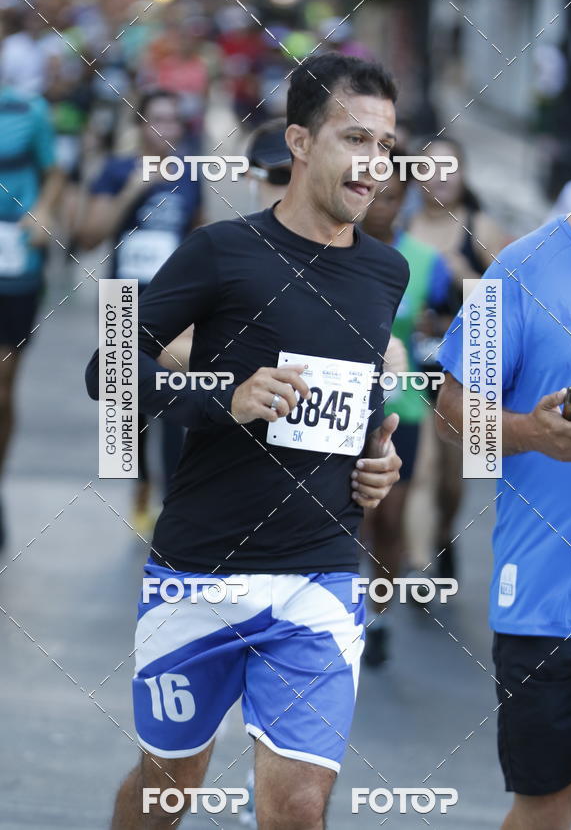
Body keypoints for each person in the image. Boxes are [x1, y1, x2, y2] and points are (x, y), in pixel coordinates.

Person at [85, 52, 406, 830]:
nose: (373, 164)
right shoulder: (221, 251)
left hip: (318, 576)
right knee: (167, 790)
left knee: (297, 806)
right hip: (200, 570)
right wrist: (222, 394)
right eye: (354, 139)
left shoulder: (385, 273)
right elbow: (107, 372)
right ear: (299, 141)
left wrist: (377, 462)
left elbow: (344, 408)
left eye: (386, 147)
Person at [435, 129, 571, 830]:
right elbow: (450, 407)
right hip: (552, 595)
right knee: (549, 804)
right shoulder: (519, 269)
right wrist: (534, 433)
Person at [76, 89, 204, 538]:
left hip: (173, 303)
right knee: (125, 406)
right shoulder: (115, 171)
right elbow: (88, 236)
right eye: (156, 120)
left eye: (173, 121)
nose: (165, 130)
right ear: (140, 126)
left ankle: (171, 496)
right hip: (121, 300)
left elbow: (200, 235)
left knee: (171, 393)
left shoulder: (189, 175)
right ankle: (141, 486)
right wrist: (132, 190)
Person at [360, 147, 452, 666]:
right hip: (339, 402)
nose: (381, 205)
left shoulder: (424, 262)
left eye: (392, 196)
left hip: (404, 407)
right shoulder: (331, 251)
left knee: (388, 519)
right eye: (374, 193)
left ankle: (379, 616)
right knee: (348, 517)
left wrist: (434, 330)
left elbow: (446, 321)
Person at [403, 136, 508, 579]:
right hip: (410, 368)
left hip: (464, 370)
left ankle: (442, 534)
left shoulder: (478, 227)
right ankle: (417, 562)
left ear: (464, 175)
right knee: (422, 470)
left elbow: (511, 300)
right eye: (429, 169)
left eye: (450, 168)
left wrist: (467, 280)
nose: (440, 178)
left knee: (451, 480)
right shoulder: (401, 228)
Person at [0, 76, 60, 549]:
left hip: (15, 260)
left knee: (2, 383)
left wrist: (41, 211)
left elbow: (55, 172)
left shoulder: (27, 109)